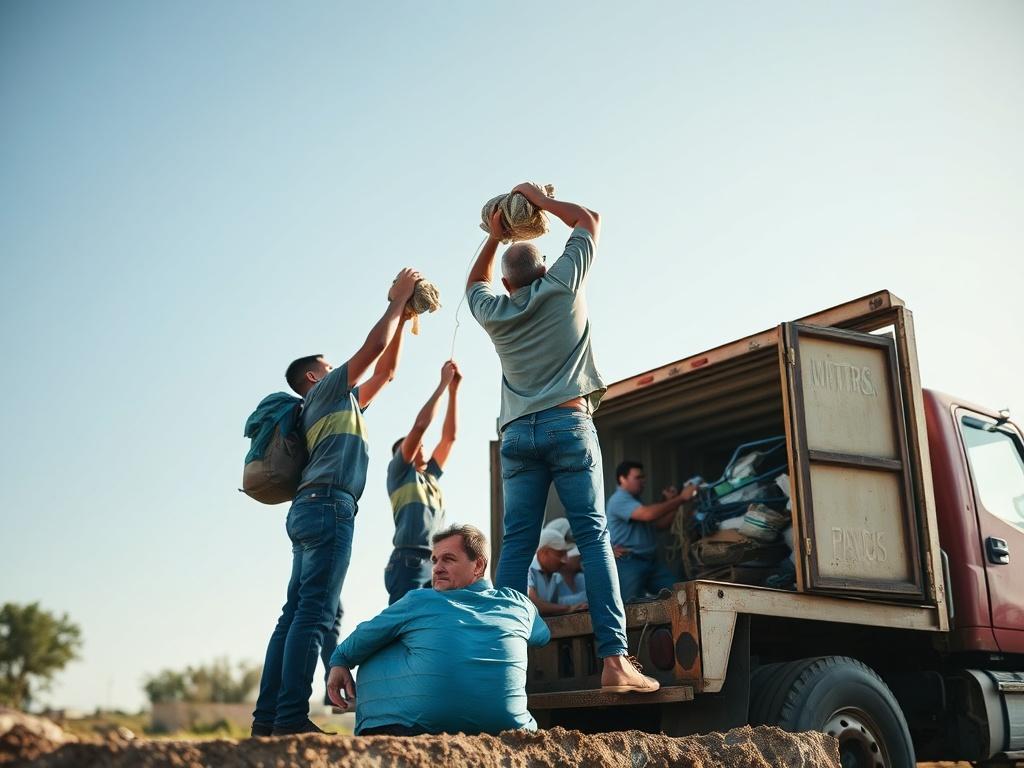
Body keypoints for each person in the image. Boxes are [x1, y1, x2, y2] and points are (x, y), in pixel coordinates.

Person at [466, 183, 658, 694]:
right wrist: (538, 198)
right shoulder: (563, 286)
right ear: (545, 267)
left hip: (516, 437)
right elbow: (590, 218)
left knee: (516, 548)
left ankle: (500, 667)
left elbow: (472, 283)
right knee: (593, 537)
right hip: (567, 424)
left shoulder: (495, 312)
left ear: (506, 284)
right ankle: (615, 663)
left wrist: (494, 235)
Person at [251, 268, 421, 737]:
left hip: (310, 507)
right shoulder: (324, 393)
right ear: (313, 376)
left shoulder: (337, 402)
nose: (334, 369)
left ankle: (267, 720)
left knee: (294, 614)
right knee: (314, 615)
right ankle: (289, 719)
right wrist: (396, 299)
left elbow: (386, 370)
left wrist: (405, 317)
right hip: (328, 508)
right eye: (327, 365)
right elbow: (371, 352)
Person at [326, 524, 550, 735]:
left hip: (412, 728)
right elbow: (542, 636)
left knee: (387, 639)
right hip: (512, 729)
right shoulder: (518, 605)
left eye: (448, 559)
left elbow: (366, 635)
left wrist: (339, 660)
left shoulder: (420, 600)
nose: (437, 568)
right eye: (434, 560)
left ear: (478, 565)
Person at [385, 359, 462, 604]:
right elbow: (420, 427)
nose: (419, 444)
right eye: (410, 444)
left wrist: (453, 391)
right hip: (409, 559)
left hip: (436, 560)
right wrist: (441, 385)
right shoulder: (400, 473)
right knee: (402, 623)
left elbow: (449, 438)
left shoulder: (430, 477)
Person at [607, 461, 697, 603]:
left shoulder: (635, 501)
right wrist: (681, 498)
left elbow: (660, 524)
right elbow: (648, 514)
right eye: (638, 477)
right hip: (630, 562)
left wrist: (674, 502)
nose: (643, 481)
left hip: (650, 562)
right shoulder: (619, 499)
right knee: (629, 607)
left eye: (643, 477)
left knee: (678, 595)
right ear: (622, 479)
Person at [527, 527, 587, 616]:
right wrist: (569, 608)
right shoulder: (528, 570)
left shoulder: (555, 575)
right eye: (560, 554)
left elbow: (555, 603)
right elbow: (534, 604)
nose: (565, 560)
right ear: (544, 553)